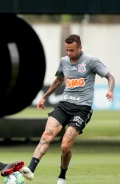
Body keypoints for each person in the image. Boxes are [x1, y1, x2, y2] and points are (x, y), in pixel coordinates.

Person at [20, 34, 115, 184]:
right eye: (67, 50)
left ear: (80, 48)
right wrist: (44, 97)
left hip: (82, 109)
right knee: (47, 135)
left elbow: (110, 77)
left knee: (65, 146)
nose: (69, 54)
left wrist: (110, 90)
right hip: (64, 105)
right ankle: (31, 169)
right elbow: (59, 80)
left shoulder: (91, 61)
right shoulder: (64, 61)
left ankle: (62, 175)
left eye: (72, 50)